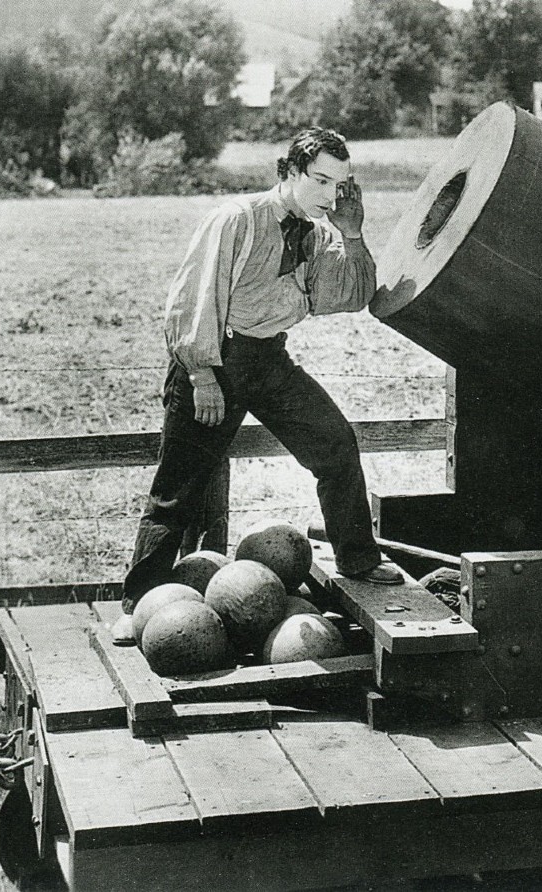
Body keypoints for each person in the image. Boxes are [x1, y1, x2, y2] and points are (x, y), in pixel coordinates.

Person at [118, 127, 402, 638]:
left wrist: (352, 232)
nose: (329, 195)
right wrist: (202, 374)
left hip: (269, 362)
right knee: (178, 490)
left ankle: (358, 559)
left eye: (341, 185)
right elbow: (191, 298)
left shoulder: (315, 232)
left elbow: (350, 295)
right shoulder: (237, 219)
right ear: (289, 173)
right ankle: (138, 603)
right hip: (216, 361)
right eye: (319, 181)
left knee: (335, 444)